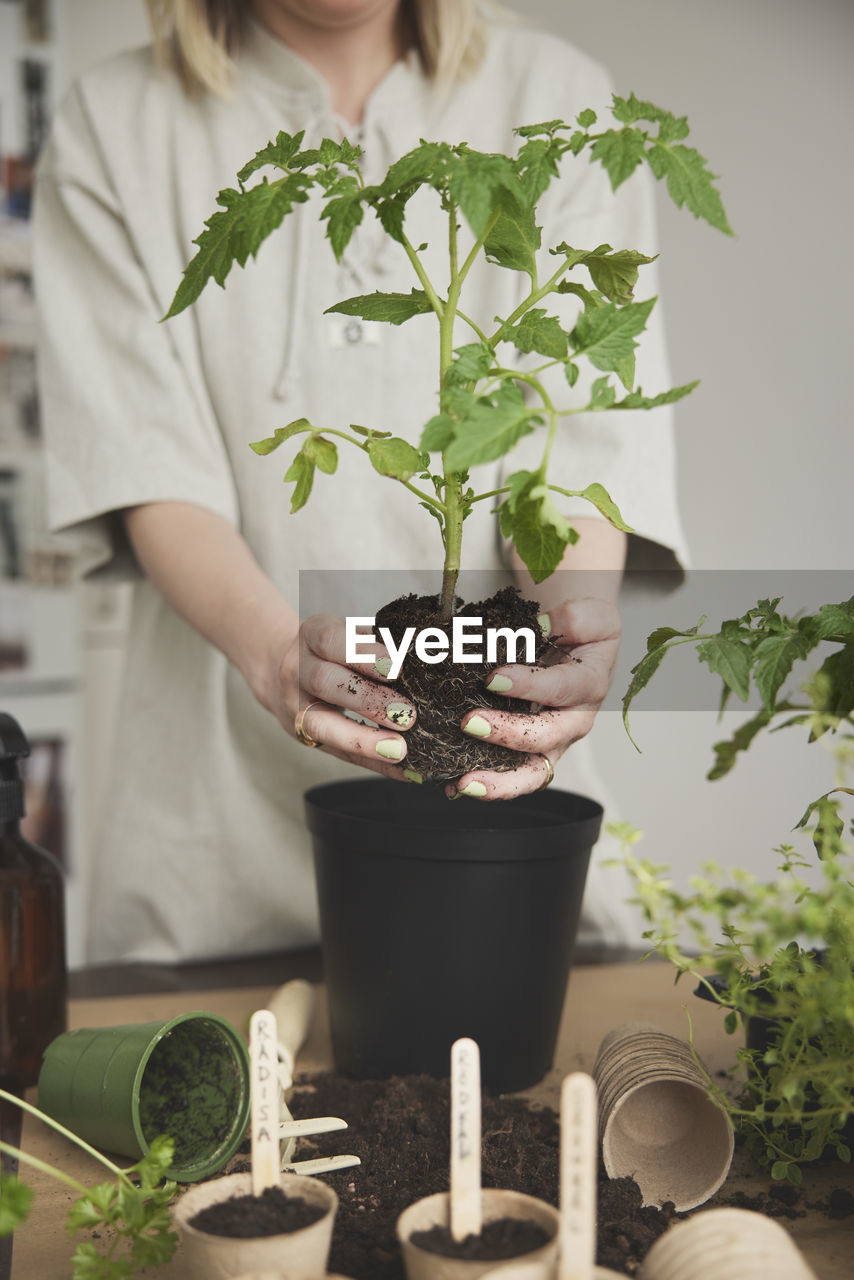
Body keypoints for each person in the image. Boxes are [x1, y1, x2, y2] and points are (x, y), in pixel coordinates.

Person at [34, 0, 687, 963]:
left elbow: (579, 443)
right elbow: (145, 460)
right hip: (211, 853)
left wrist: (568, 628)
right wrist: (276, 656)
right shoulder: (118, 119)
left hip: (498, 837)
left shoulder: (555, 100)